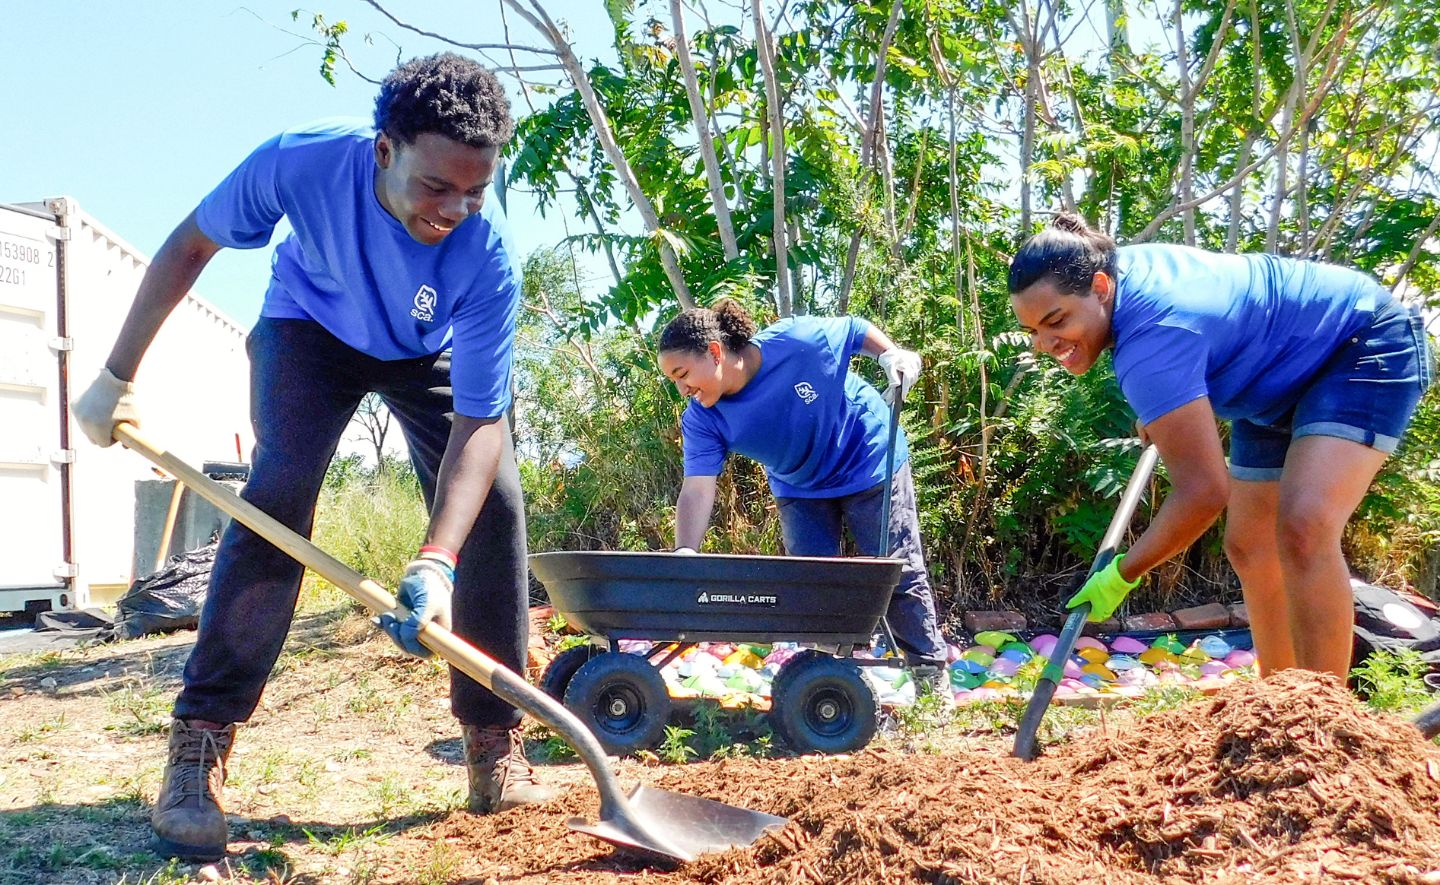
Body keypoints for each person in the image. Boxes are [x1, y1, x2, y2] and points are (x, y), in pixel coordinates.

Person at [72, 53, 558, 862]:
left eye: (474, 191)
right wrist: (114, 376)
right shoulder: (297, 162)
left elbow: (480, 424)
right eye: (437, 186)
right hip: (310, 327)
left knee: (496, 502)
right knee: (280, 492)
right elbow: (190, 245)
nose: (456, 209)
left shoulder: (488, 253)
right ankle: (200, 741)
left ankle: (492, 740)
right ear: (384, 149)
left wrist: (436, 559)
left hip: (423, 347)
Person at [1008, 213, 1433, 679]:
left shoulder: (1153, 340)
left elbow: (1204, 493)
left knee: (1304, 526)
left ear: (1102, 287)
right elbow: (1197, 344)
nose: (1045, 344)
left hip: (1355, 343)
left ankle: (1324, 723)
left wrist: (1122, 574)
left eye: (1056, 321)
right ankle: (1277, 701)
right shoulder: (1121, 286)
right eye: (1033, 331)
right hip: (1272, 382)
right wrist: (1169, 411)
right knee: (1251, 544)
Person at [657, 298, 950, 689]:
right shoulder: (703, 418)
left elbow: (854, 329)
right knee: (814, 585)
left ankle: (931, 681)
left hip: (868, 460)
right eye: (673, 381)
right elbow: (697, 488)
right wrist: (685, 554)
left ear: (714, 353)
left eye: (682, 374)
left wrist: (891, 355)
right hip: (799, 485)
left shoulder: (797, 342)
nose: (681, 389)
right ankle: (828, 687)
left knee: (895, 571)